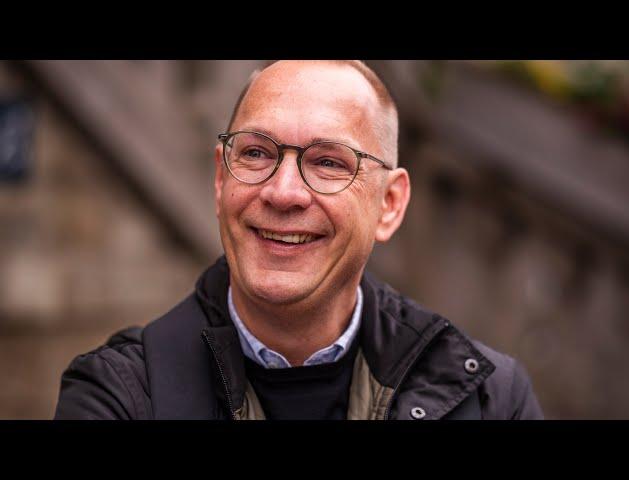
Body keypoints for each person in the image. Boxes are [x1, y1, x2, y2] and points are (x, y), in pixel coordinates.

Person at [54, 60, 543, 420]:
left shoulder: (489, 399)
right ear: (221, 182)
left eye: (328, 162)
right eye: (256, 153)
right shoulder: (118, 397)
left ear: (389, 204)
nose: (283, 192)